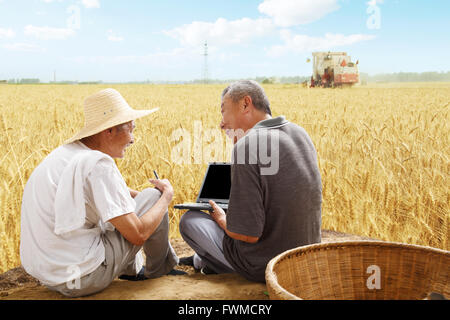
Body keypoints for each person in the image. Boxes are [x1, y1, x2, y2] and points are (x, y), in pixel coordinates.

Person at [20, 88, 185, 298]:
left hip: (53, 277)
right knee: (153, 200)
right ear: (109, 131)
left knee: (124, 208)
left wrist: (137, 195)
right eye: (131, 129)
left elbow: (104, 194)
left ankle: (131, 270)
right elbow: (138, 234)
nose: (133, 139)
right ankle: (160, 270)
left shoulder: (63, 156)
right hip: (87, 278)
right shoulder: (100, 164)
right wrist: (165, 196)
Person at [179, 80, 322, 282]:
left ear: (246, 104)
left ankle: (209, 261)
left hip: (267, 266)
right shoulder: (301, 133)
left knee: (190, 220)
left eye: (224, 111)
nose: (221, 123)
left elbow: (248, 235)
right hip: (305, 257)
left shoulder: (246, 146)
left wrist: (222, 219)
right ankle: (204, 260)